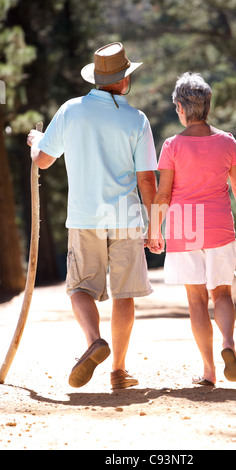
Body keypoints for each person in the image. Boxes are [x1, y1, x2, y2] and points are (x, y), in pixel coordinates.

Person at [27, 42, 160, 390]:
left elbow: (44, 160)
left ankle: (93, 341)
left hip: (85, 216)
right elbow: (147, 179)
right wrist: (155, 224)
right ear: (123, 80)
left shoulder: (71, 110)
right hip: (127, 216)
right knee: (124, 293)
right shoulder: (137, 119)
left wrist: (38, 141)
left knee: (80, 287)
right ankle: (118, 370)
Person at [147, 72, 236, 386]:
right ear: (207, 106)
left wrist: (155, 230)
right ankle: (229, 344)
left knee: (196, 300)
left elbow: (164, 194)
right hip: (220, 226)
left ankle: (209, 371)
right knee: (221, 292)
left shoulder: (172, 145)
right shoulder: (227, 141)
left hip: (184, 227)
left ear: (181, 108)